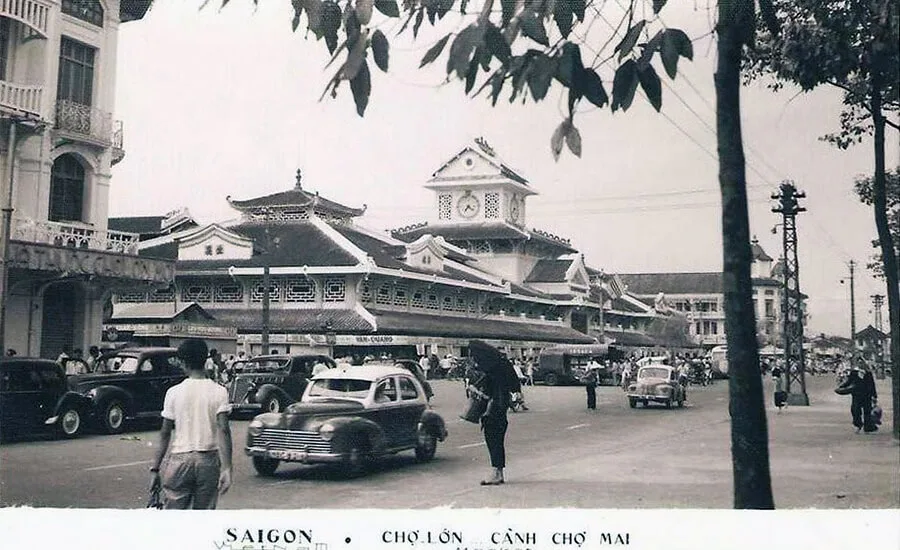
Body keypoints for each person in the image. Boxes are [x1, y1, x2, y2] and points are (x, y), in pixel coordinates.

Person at [149, 338, 233, 509]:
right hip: (208, 460)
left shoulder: (173, 393)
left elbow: (165, 433)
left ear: (183, 362)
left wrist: (155, 469)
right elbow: (223, 429)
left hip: (180, 459)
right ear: (205, 360)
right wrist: (227, 468)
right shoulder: (220, 391)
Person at [469, 340, 519, 486]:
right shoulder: (504, 365)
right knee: (498, 441)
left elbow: (488, 394)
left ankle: (496, 473)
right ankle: (499, 473)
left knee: (493, 441)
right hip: (502, 409)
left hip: (493, 410)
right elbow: (515, 385)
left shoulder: (491, 371)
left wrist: (475, 390)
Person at [837, 364, 878, 433]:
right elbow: (849, 381)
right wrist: (841, 387)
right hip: (856, 395)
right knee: (855, 411)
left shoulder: (868, 373)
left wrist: (874, 396)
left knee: (867, 412)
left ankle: (867, 428)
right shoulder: (854, 373)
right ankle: (858, 424)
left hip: (867, 395)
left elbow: (872, 384)